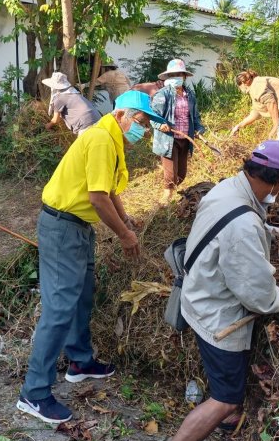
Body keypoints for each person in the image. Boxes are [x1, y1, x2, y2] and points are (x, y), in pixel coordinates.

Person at [151, 140, 279, 441]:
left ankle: (227, 419)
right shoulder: (244, 224)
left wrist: (276, 232)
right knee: (224, 397)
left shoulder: (227, 190)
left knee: (225, 381)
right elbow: (257, 294)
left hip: (198, 294)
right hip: (217, 317)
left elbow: (237, 227)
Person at [17, 90, 167, 424]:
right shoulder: (101, 139)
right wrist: (125, 235)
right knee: (59, 308)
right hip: (62, 227)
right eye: (140, 122)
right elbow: (97, 197)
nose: (142, 130)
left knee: (82, 296)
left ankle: (80, 361)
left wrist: (126, 218)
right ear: (121, 115)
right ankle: (34, 392)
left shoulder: (112, 141)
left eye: (145, 124)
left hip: (79, 227)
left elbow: (110, 191)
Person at [151, 59, 205, 202]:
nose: (176, 77)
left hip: (185, 138)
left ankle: (171, 192)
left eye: (179, 74)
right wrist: (159, 125)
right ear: (168, 77)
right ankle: (165, 199)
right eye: (173, 74)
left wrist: (199, 129)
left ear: (184, 76)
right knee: (171, 175)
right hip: (169, 139)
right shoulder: (163, 94)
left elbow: (195, 116)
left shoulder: (190, 95)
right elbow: (153, 115)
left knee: (181, 174)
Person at [230, 71, 279, 149]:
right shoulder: (257, 82)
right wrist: (239, 126)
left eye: (239, 87)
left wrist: (275, 125)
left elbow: (271, 103)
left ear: (243, 83)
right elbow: (256, 112)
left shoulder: (256, 87)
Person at [43, 72, 101, 136]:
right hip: (98, 119)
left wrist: (46, 127)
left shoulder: (59, 98)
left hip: (85, 123)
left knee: (84, 145)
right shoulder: (73, 92)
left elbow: (55, 120)